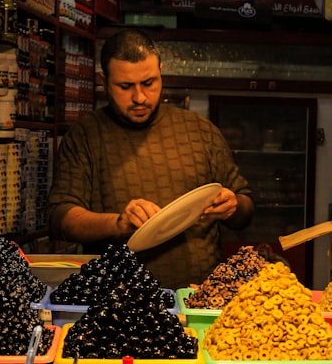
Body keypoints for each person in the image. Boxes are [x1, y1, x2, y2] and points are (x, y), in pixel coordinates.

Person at [47, 28, 255, 290]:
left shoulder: (199, 130)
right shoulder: (85, 135)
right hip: (117, 302)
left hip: (197, 297)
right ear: (103, 80)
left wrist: (232, 204)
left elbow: (245, 208)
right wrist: (118, 223)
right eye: (125, 87)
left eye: (149, 83)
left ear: (161, 72)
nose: (140, 97)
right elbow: (60, 218)